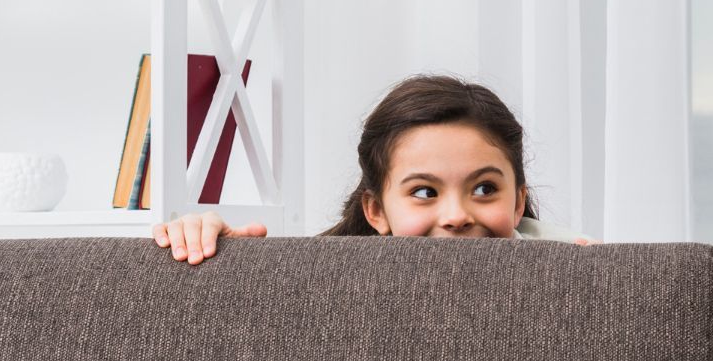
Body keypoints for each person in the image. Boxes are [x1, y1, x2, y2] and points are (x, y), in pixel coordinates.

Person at [154, 74, 588, 264]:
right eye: (424, 192)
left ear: (518, 204)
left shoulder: (574, 266)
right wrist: (218, 249)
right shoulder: (331, 275)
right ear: (376, 211)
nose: (456, 216)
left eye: (484, 189)